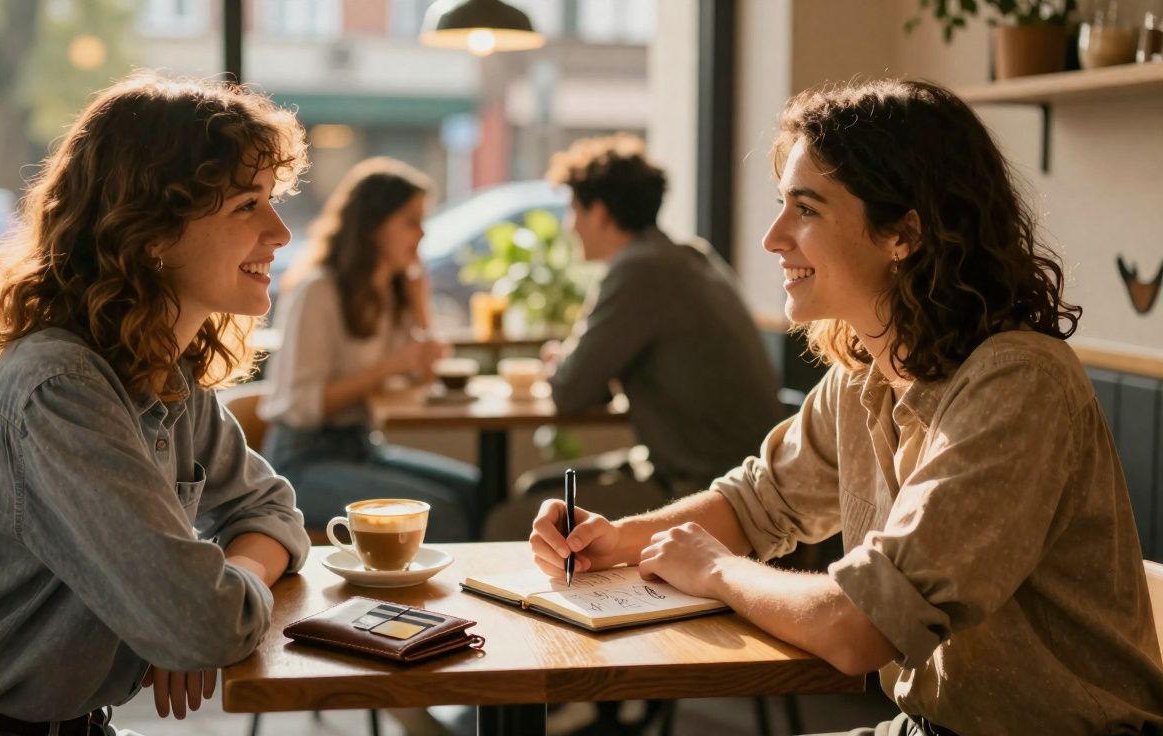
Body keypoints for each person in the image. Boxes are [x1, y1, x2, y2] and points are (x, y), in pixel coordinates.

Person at [530, 80, 1163, 735]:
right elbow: (757, 503)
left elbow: (857, 627)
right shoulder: (866, 373)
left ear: (903, 233)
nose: (773, 238)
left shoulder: (1018, 385)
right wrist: (616, 540)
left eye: (805, 209)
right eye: (781, 205)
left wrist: (715, 569)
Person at [0, 72, 313, 735]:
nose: (279, 232)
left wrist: (223, 581)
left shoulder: (166, 374)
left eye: (271, 201)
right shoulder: (60, 390)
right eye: (246, 205)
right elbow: (202, 626)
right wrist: (200, 609)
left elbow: (272, 510)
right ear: (152, 232)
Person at [487, 135, 783, 538]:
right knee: (534, 490)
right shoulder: (688, 256)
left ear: (599, 213)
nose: (570, 225)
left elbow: (570, 391)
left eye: (574, 210)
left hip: (708, 491)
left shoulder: (639, 271)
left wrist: (564, 365)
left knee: (505, 523)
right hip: (733, 476)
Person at [260, 157, 478, 542]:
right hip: (302, 460)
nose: (422, 233)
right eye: (410, 221)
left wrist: (419, 302)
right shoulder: (318, 290)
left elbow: (422, 377)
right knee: (441, 512)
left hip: (361, 446)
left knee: (476, 490)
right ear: (374, 225)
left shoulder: (391, 291)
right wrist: (391, 365)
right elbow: (304, 405)